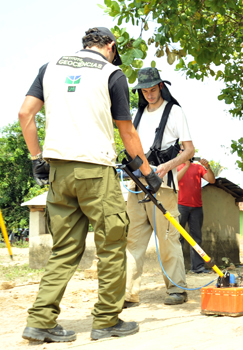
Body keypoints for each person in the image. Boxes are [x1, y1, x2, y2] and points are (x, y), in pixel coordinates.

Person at [18, 27, 162, 343]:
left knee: (64, 249)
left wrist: (36, 158)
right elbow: (128, 133)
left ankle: (40, 321)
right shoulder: (112, 74)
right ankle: (107, 321)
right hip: (96, 171)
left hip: (58, 171)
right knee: (111, 245)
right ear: (110, 46)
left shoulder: (50, 67)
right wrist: (149, 174)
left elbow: (25, 114)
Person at [124, 67, 195, 308]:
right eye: (144, 91)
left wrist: (167, 166)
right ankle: (127, 294)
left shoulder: (174, 112)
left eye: (153, 90)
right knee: (132, 240)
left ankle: (177, 289)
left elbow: (189, 150)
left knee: (167, 239)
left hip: (163, 186)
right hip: (136, 186)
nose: (149, 95)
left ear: (161, 87)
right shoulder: (137, 114)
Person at [176, 151, 215, 273]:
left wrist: (207, 167)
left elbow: (212, 180)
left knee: (196, 238)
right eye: (183, 150)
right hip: (180, 206)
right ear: (179, 152)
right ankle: (178, 268)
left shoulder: (198, 167)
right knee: (178, 238)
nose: (186, 152)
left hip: (197, 207)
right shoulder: (175, 166)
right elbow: (175, 180)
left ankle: (198, 267)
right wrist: (185, 165)